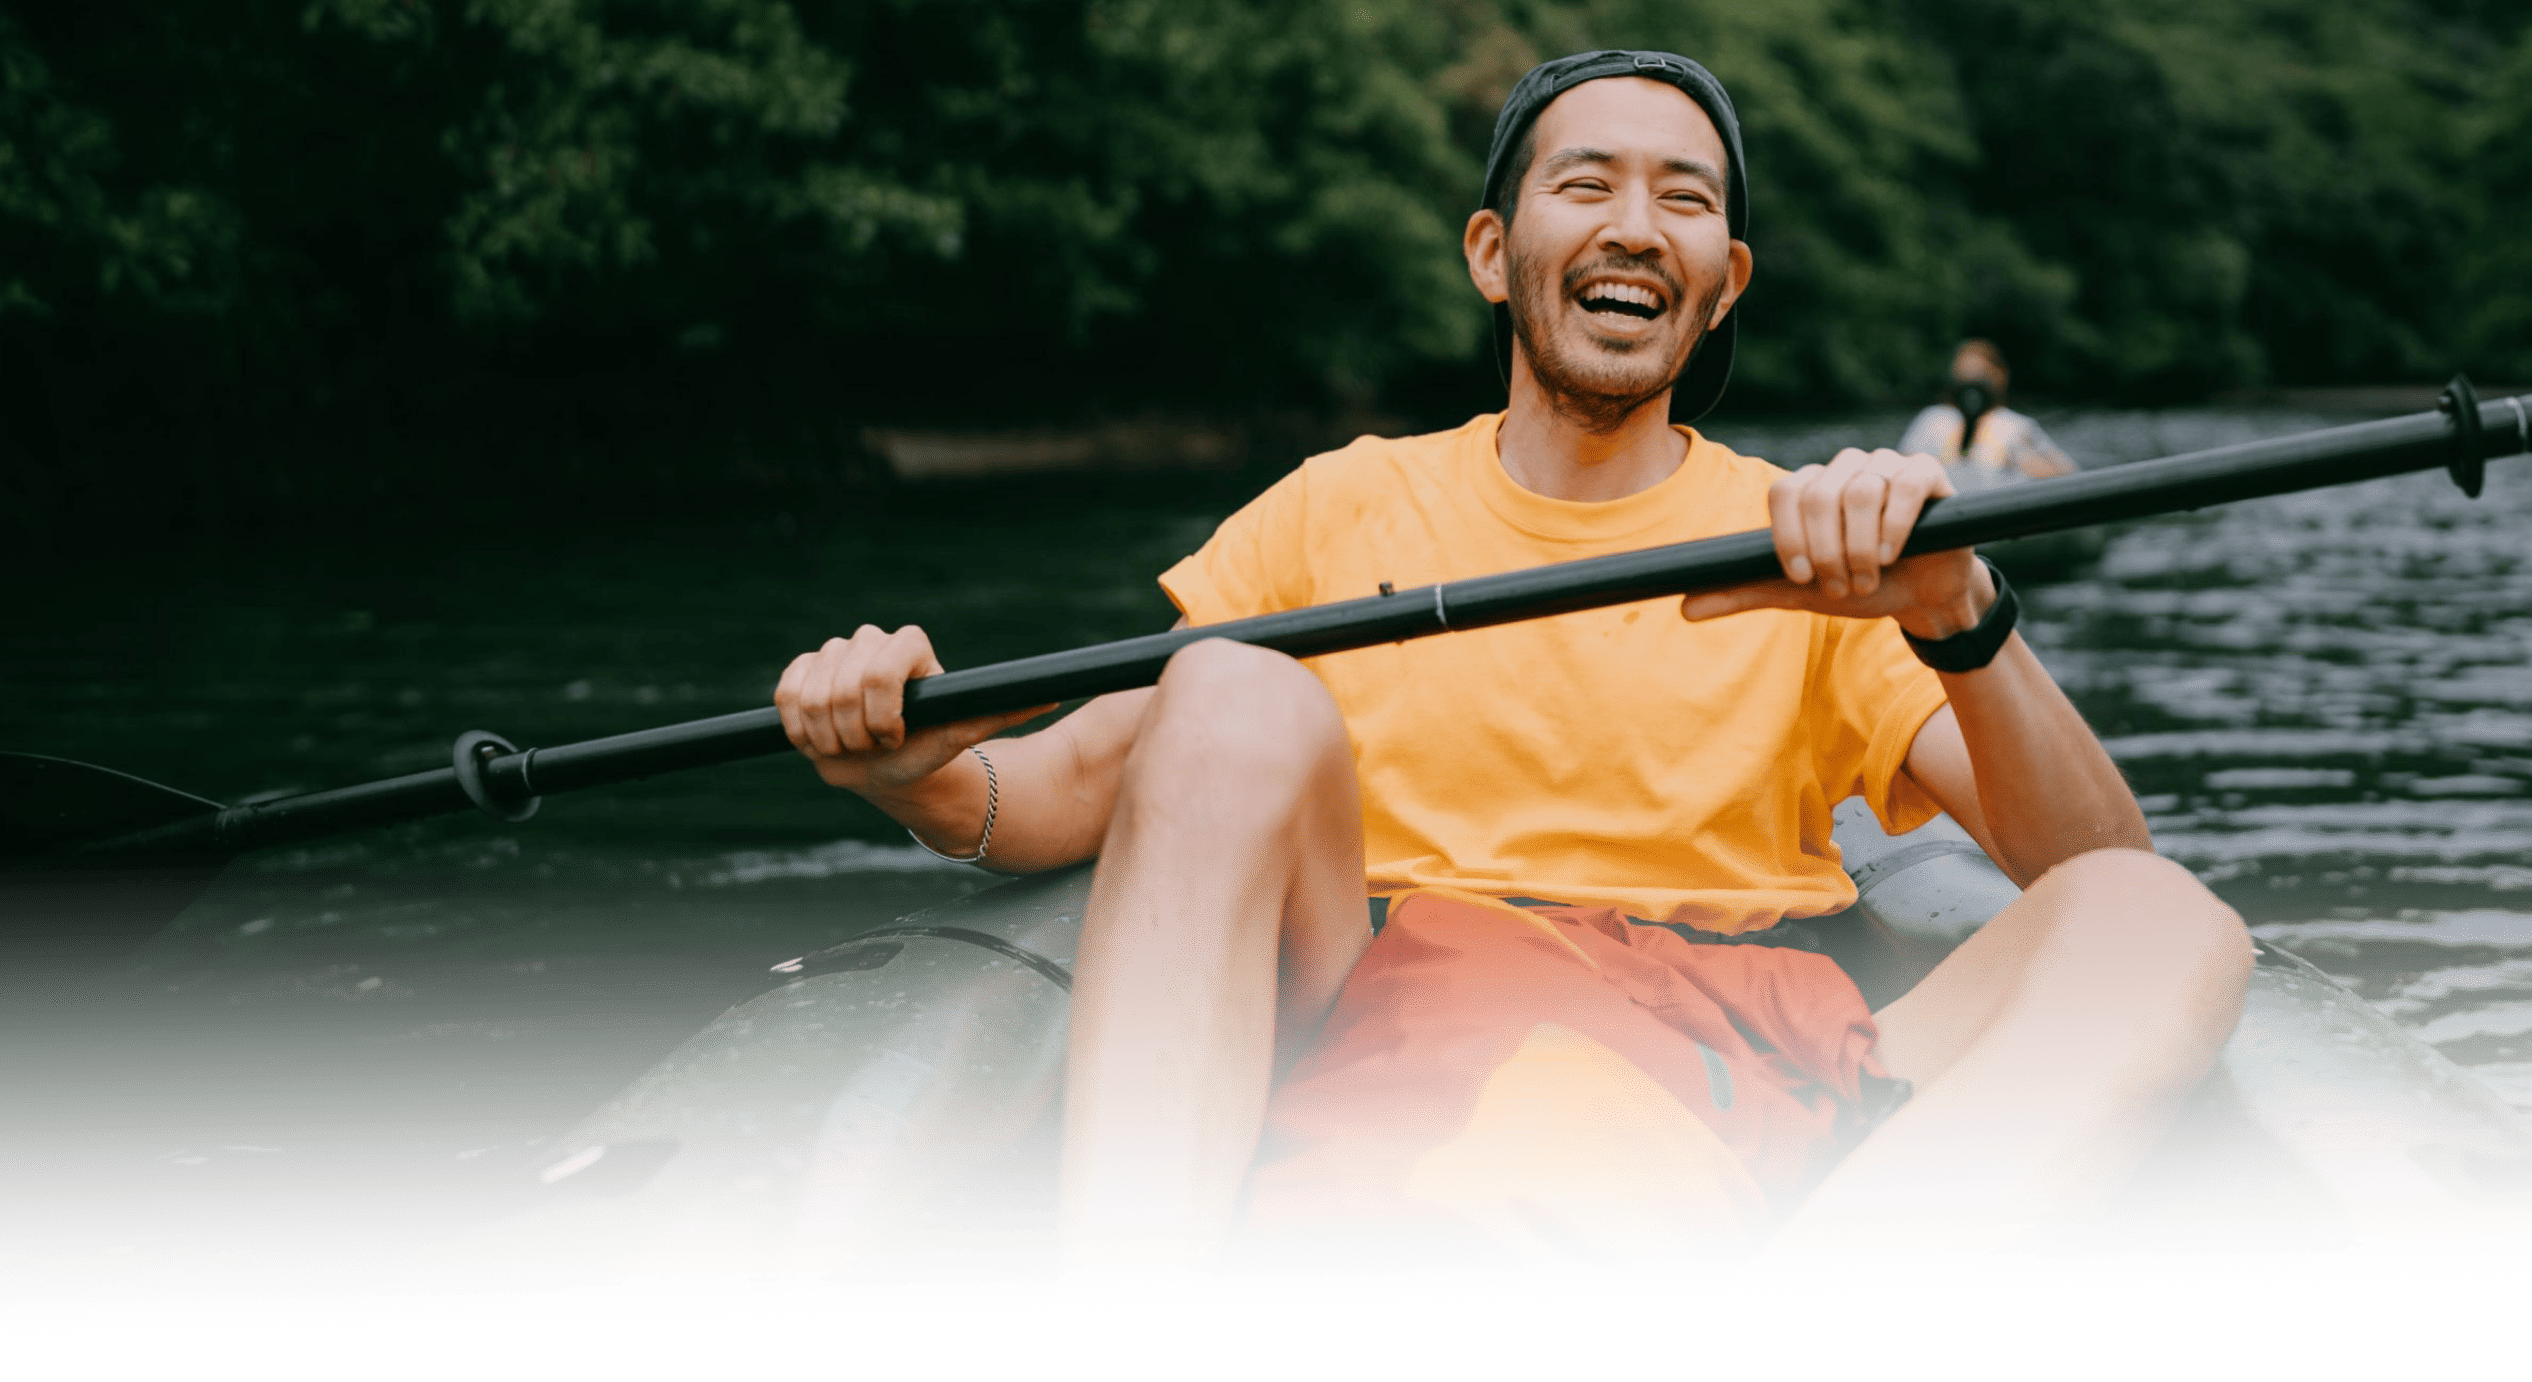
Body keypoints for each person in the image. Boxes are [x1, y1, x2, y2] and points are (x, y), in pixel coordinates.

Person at [773, 51, 2250, 1299]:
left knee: (2167, 924)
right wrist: (914, 766)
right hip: (1396, 1001)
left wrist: (1958, 606)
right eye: (1586, 184)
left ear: (1722, 284)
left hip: (1734, 1037)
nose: (1635, 226)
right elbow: (1070, 776)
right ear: (1497, 252)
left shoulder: (1822, 540)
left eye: (1684, 200)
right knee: (1232, 690)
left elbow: (2086, 870)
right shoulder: (1338, 505)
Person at [1897, 340, 2077, 487]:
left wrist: (2024, 461)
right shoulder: (1932, 419)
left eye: (1979, 375)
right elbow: (1901, 468)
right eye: (1964, 376)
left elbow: (2070, 477)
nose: (1971, 385)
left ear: (2000, 376)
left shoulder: (2017, 426)